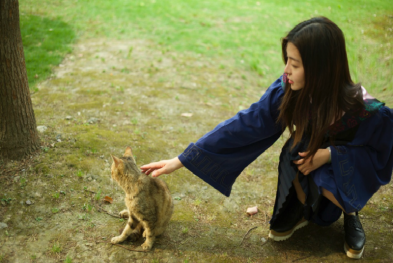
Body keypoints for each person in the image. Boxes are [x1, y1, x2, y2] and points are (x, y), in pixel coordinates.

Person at [140, 16, 393, 259]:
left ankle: (351, 212)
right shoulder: (288, 88)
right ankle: (303, 208)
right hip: (306, 156)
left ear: (321, 69)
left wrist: (330, 156)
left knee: (334, 179)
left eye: (295, 65)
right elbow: (246, 124)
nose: (286, 71)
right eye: (287, 61)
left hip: (345, 164)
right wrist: (184, 158)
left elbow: (378, 154)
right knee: (296, 154)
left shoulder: (363, 109)